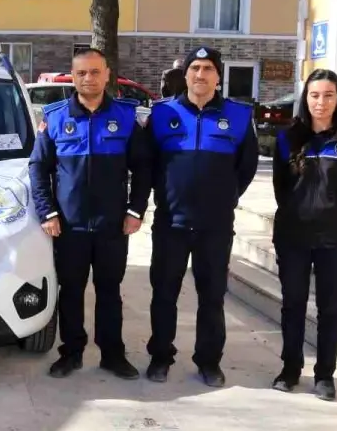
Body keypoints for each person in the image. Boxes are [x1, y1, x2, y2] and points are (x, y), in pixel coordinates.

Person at [28, 47, 152, 379]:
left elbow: (143, 169)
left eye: (95, 72)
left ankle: (113, 354)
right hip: (69, 225)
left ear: (108, 75)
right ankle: (71, 352)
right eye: (81, 73)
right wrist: (47, 213)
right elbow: (38, 169)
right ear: (73, 76)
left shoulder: (126, 117)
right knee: (71, 290)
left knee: (110, 290)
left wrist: (136, 210)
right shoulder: (55, 117)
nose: (88, 78)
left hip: (113, 224)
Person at [146, 46, 258, 387]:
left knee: (212, 297)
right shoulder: (162, 114)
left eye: (208, 68)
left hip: (215, 226)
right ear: (186, 74)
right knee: (164, 293)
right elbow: (148, 163)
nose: (200, 75)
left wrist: (224, 197)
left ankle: (209, 361)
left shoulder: (239, 116)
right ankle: (160, 357)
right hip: (172, 223)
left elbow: (247, 167)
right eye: (195, 68)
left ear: (218, 76)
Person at [271, 69, 337, 401]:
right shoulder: (288, 138)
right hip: (293, 237)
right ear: (305, 99)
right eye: (314, 95)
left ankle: (325, 375)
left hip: (333, 239)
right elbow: (281, 189)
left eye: (328, 95)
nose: (320, 102)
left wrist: (333, 216)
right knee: (293, 304)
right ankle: (290, 368)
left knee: (330, 307)